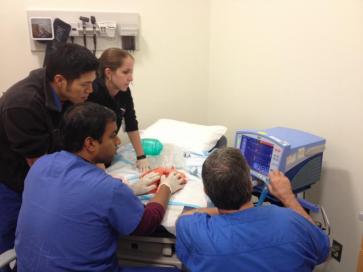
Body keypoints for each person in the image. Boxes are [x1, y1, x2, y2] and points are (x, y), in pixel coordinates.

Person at [15, 102, 185, 272]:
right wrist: (166, 187)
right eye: (112, 136)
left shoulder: (41, 165)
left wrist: (129, 190)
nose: (118, 141)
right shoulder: (108, 189)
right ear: (90, 144)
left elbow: (73, 198)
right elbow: (147, 222)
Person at [0, 43, 98, 270]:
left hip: (37, 171)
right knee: (9, 240)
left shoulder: (64, 95)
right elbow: (40, 167)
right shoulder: (22, 103)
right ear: (60, 80)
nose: (90, 90)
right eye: (85, 84)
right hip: (11, 180)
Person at [176, 147, 329, 272]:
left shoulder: (195, 230)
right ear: (250, 184)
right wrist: (288, 197)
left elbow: (184, 218)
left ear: (206, 191)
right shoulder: (292, 222)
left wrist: (222, 210)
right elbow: (324, 249)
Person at [87, 48, 150, 172]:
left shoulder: (124, 92)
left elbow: (131, 123)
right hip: (91, 157)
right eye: (126, 72)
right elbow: (89, 134)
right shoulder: (92, 92)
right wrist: (101, 170)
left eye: (131, 72)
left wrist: (141, 156)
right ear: (109, 73)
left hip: (106, 152)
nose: (131, 78)